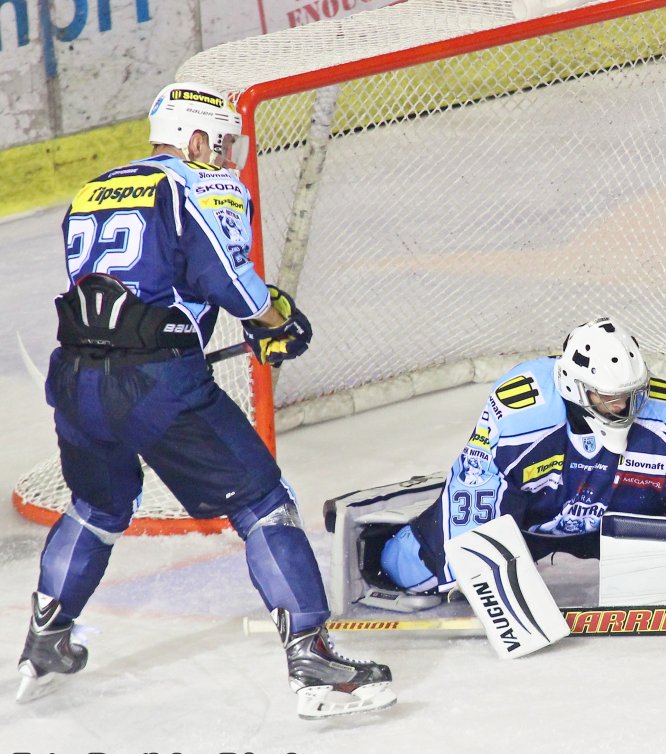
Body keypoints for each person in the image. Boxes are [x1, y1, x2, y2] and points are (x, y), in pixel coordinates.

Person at [16, 82, 393, 720]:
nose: (225, 158)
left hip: (77, 380)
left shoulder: (94, 190)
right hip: (157, 385)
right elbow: (233, 286)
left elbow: (128, 288)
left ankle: (47, 640)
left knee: (99, 505)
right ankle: (313, 662)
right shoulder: (197, 184)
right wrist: (275, 321)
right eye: (220, 145)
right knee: (264, 503)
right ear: (194, 139)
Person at [376, 316, 666, 600]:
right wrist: (474, 560)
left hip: (625, 520)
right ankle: (382, 556)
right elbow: (476, 478)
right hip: (527, 526)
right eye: (609, 397)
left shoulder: (664, 408)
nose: (623, 406)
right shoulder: (523, 411)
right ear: (576, 388)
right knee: (415, 570)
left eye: (631, 394)